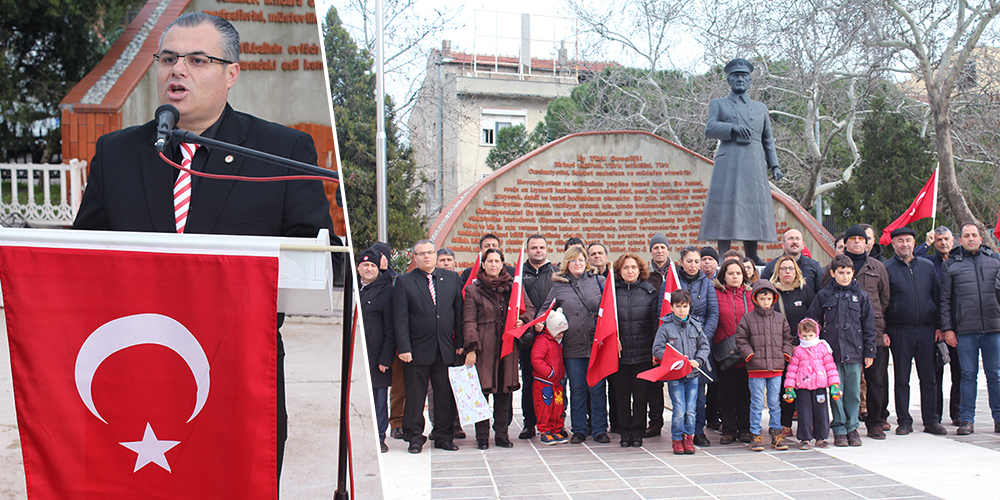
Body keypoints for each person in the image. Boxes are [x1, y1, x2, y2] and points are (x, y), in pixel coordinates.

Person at [71, 12, 336, 479]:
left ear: (231, 73)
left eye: (197, 59)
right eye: (169, 58)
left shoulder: (282, 151)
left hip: (239, 374)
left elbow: (315, 254)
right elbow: (79, 261)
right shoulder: (117, 153)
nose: (178, 70)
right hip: (133, 378)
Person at [699, 58, 782, 266]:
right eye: (735, 76)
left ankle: (752, 252)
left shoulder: (760, 108)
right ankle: (723, 252)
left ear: (750, 80)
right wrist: (732, 129)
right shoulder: (719, 104)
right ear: (729, 79)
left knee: (752, 206)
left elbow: (768, 138)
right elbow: (709, 128)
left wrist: (775, 165)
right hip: (729, 161)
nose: (740, 79)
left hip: (753, 162)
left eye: (744, 76)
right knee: (725, 205)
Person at [393, 239, 464, 453]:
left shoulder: (451, 278)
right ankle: (414, 437)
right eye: (421, 253)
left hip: (445, 349)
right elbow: (400, 318)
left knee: (444, 396)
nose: (426, 256)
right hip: (416, 350)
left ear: (435, 255)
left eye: (430, 252)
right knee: (415, 396)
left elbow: (458, 313)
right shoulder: (404, 282)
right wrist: (404, 348)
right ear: (415, 257)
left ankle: (443, 436)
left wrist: (460, 343)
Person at [535, 246, 609, 444]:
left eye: (581, 260)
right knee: (577, 389)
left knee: (597, 388)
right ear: (567, 263)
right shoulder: (559, 285)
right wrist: (540, 322)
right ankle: (579, 429)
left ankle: (600, 428)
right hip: (572, 347)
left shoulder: (598, 281)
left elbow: (608, 310)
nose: (578, 263)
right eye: (573, 260)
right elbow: (545, 310)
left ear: (586, 262)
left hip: (595, 346)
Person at [463, 248, 535, 449]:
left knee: (504, 392)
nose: (493, 264)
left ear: (503, 263)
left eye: (497, 261)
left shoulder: (515, 287)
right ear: (483, 264)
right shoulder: (473, 289)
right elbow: (469, 321)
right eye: (489, 261)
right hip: (484, 349)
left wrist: (523, 320)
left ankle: (502, 434)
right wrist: (471, 348)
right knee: (482, 393)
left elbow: (529, 309)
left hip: (507, 347)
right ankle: (482, 436)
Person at [826, 224, 890, 439]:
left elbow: (884, 298)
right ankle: (841, 426)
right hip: (840, 338)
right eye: (851, 238)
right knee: (842, 385)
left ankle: (875, 422)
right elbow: (825, 296)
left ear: (867, 243)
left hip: (872, 332)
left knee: (875, 380)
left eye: (860, 239)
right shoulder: (833, 267)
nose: (856, 242)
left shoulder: (878, 267)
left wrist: (877, 325)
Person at [884, 227, 947, 436]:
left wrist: (939, 326)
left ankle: (931, 420)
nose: (905, 244)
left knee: (929, 378)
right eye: (900, 241)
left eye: (908, 240)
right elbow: (882, 302)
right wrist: (884, 330)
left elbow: (937, 297)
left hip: (927, 330)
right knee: (902, 379)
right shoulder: (887, 268)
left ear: (914, 242)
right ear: (893, 244)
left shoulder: (927, 266)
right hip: (899, 331)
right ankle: (904, 421)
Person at [807, 254, 876, 447]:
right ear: (832, 273)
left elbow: (869, 325)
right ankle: (839, 429)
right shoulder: (824, 295)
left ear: (853, 273)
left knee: (853, 392)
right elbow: (812, 322)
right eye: (840, 273)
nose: (845, 276)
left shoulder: (861, 296)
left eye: (848, 273)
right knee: (836, 392)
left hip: (854, 352)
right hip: (832, 354)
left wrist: (869, 351)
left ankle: (852, 427)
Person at [940, 223, 1000, 435]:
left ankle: (998, 418)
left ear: (980, 239)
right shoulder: (951, 266)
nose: (971, 238)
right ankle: (966, 419)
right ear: (960, 240)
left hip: (993, 329)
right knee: (967, 375)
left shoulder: (995, 260)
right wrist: (947, 329)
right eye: (966, 235)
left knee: (995, 375)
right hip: (965, 331)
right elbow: (945, 300)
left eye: (974, 235)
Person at [736, 280, 793, 451]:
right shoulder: (748, 318)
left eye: (769, 298)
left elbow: (788, 339)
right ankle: (756, 433)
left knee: (775, 402)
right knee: (757, 403)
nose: (766, 302)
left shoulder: (779, 318)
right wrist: (749, 355)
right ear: (755, 299)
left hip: (776, 368)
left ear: (773, 299)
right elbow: (741, 339)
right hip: (756, 368)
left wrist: (785, 354)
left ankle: (776, 432)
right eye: (762, 298)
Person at [610, 253, 660, 447]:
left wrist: (655, 350)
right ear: (619, 271)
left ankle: (638, 433)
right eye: (625, 268)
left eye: (633, 267)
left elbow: (655, 324)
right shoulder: (611, 293)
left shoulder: (649, 291)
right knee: (621, 395)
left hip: (642, 353)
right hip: (619, 354)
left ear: (640, 270)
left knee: (641, 396)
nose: (630, 271)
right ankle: (624, 433)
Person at [653, 289, 710, 455]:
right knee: (678, 409)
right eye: (678, 306)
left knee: (691, 409)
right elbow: (657, 349)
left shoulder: (696, 326)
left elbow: (704, 346)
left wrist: (698, 360)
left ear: (689, 307)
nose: (681, 310)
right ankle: (677, 438)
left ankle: (688, 437)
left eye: (685, 306)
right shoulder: (666, 327)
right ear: (671, 307)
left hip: (692, 375)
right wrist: (673, 358)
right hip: (675, 376)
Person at [673, 246, 719, 447]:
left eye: (696, 261)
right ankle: (678, 433)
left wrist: (702, 339)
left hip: (699, 346)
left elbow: (713, 314)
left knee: (698, 393)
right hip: (676, 344)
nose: (693, 265)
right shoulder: (673, 282)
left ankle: (697, 431)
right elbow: (663, 311)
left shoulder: (707, 284)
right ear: (681, 262)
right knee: (678, 393)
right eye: (689, 261)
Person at [917, 225, 962, 425]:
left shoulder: (960, 260)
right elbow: (914, 258)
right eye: (938, 240)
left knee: (959, 373)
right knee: (934, 373)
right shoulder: (929, 262)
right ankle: (935, 415)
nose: (943, 243)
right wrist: (925, 243)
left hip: (959, 325)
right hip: (934, 327)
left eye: (946, 239)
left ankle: (958, 413)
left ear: (953, 240)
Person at [769, 255, 816, 437]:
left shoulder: (805, 291)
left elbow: (813, 318)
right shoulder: (771, 292)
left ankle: (809, 423)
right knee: (785, 387)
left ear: (796, 271)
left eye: (790, 268)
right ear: (777, 272)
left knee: (806, 387)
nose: (787, 272)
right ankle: (785, 424)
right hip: (780, 349)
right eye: (783, 268)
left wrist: (803, 342)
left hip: (803, 349)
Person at [519, 234, 558, 440]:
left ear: (546, 249)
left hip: (552, 337)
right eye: (534, 247)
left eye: (541, 247)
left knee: (556, 380)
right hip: (528, 336)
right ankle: (529, 423)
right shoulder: (518, 274)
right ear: (528, 250)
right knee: (529, 381)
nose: (538, 250)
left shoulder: (556, 273)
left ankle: (556, 421)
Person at [358, 248, 396, 453]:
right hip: (359, 356)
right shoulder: (354, 288)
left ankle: (380, 437)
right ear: (358, 268)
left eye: (373, 265)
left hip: (378, 357)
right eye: (365, 265)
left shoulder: (387, 290)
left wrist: (386, 358)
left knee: (380, 401)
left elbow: (391, 328)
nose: (369, 268)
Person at [783, 318, 840, 449]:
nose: (808, 339)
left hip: (819, 387)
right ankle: (805, 438)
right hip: (803, 388)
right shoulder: (798, 350)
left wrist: (834, 384)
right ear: (799, 335)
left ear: (816, 333)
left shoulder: (823, 348)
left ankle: (821, 437)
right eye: (804, 336)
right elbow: (792, 370)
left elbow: (830, 367)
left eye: (810, 335)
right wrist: (789, 387)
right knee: (804, 414)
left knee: (821, 413)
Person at [714, 259, 754, 444]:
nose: (735, 276)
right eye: (730, 273)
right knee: (726, 392)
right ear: (723, 276)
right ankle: (729, 429)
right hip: (725, 353)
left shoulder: (751, 294)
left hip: (747, 352)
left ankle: (745, 428)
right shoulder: (715, 294)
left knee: (745, 393)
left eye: (738, 273)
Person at [645, 233, 672, 436]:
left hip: (675, 336)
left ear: (668, 250)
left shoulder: (676, 274)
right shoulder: (645, 275)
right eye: (656, 247)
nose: (659, 251)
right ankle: (655, 421)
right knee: (654, 383)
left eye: (663, 247)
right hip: (652, 336)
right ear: (651, 251)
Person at [533, 308, 570, 445]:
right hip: (544, 382)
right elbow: (536, 359)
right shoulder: (543, 340)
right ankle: (544, 430)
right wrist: (550, 372)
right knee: (544, 407)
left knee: (558, 407)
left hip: (557, 382)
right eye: (559, 332)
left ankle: (556, 429)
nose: (561, 335)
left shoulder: (557, 342)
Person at [761, 229, 824, 293]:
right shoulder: (771, 266)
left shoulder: (814, 266)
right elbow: (762, 291)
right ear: (783, 245)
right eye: (791, 238)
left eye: (798, 238)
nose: (794, 242)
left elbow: (821, 293)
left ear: (803, 245)